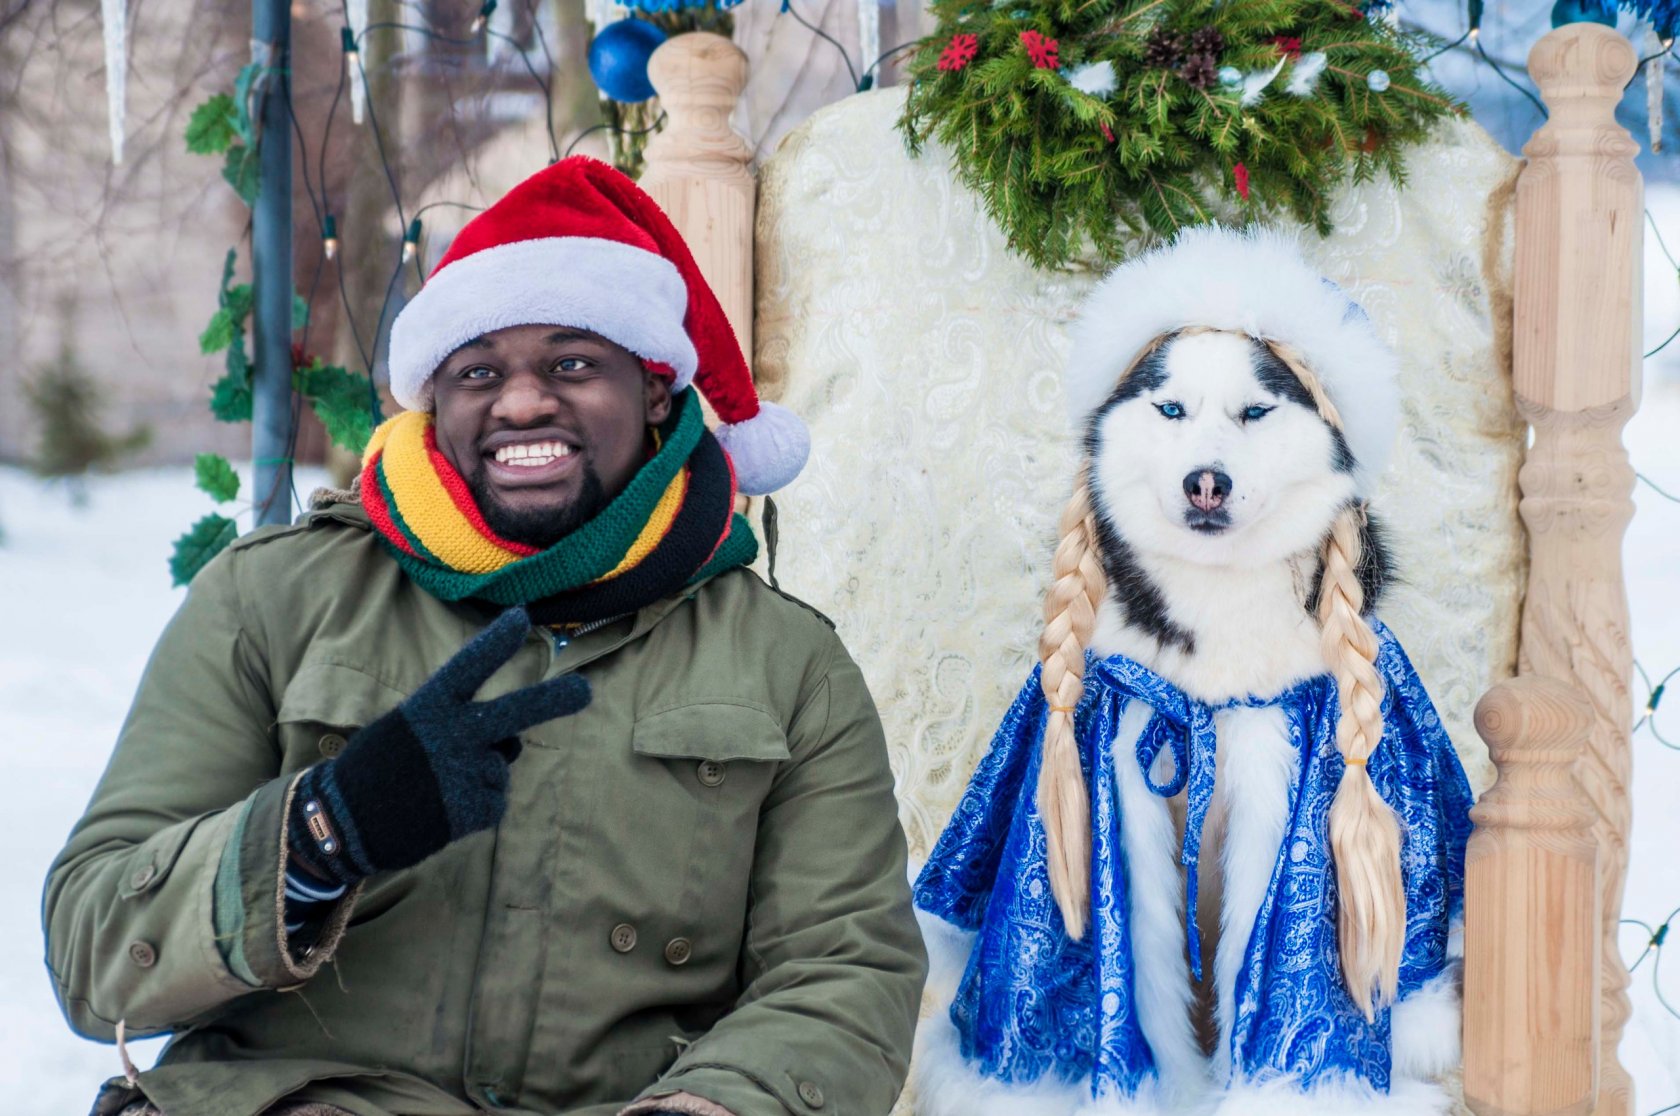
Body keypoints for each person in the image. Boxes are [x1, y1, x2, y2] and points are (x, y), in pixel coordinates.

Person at [44, 157, 927, 1116]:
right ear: (438, 403)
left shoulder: (789, 667)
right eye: (476, 372)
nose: (519, 403)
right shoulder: (274, 597)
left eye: (573, 362)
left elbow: (843, 973)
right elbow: (93, 956)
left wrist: (715, 1108)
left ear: (658, 392)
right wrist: (319, 834)